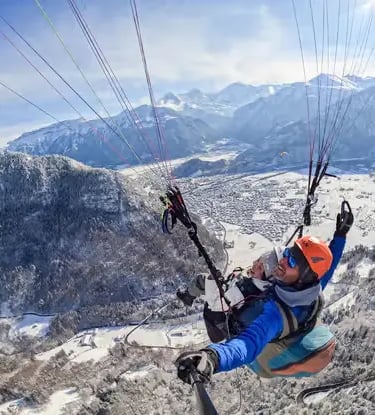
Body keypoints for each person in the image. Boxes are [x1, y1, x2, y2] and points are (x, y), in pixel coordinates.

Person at [175, 203, 354, 384]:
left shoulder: (277, 315)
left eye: (292, 261)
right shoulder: (311, 289)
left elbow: (247, 344)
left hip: (261, 358)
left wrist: (213, 358)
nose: (283, 261)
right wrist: (341, 235)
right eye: (287, 254)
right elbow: (327, 269)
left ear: (304, 276)